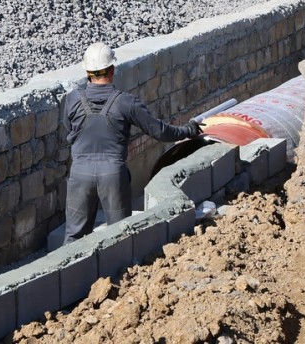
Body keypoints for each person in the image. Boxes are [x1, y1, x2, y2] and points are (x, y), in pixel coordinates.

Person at [62, 42, 202, 244]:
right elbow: (160, 131)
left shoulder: (73, 99)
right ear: (112, 70)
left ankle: (71, 276)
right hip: (112, 173)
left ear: (87, 72)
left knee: (74, 237)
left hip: (80, 173)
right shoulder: (125, 102)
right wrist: (188, 130)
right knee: (120, 235)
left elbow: (69, 127)